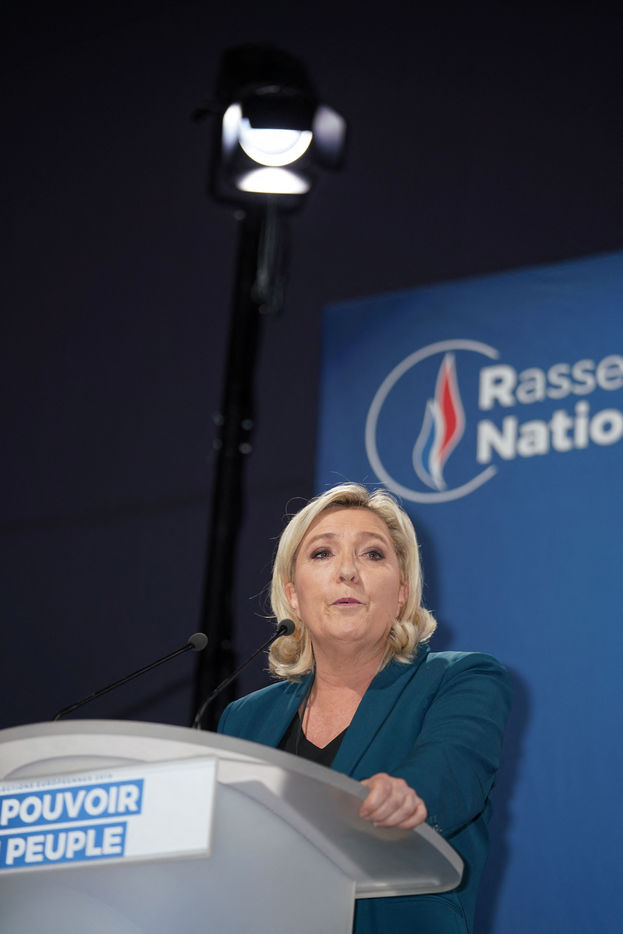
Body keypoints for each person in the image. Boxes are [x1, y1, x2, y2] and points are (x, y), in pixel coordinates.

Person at [218, 482, 511, 933]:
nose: (347, 572)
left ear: (402, 592)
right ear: (293, 594)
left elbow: (450, 771)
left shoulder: (461, 678)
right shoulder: (244, 718)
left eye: (372, 554)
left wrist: (405, 795)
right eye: (322, 554)